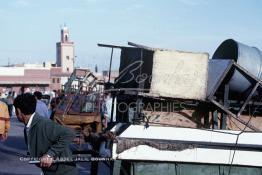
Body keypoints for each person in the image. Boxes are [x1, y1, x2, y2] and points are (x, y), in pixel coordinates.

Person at [13, 93, 78, 175]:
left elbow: (69, 134)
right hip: (50, 171)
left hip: (63, 171)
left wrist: (49, 155)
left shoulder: (43, 124)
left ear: (18, 111)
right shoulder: (30, 126)